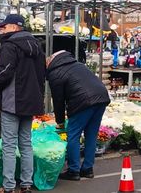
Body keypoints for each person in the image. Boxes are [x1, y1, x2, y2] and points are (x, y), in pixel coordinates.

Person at [0, 14, 45, 193]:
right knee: (26, 143)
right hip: (31, 102)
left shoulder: (10, 46)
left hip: (12, 102)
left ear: (13, 27)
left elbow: (4, 73)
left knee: (9, 145)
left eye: (4, 27)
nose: (2, 29)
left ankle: (9, 186)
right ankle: (26, 184)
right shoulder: (37, 46)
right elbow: (42, 74)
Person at [46, 51, 110, 181]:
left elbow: (58, 100)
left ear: (50, 61)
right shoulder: (78, 65)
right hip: (101, 98)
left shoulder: (55, 73)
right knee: (91, 135)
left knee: (73, 135)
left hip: (83, 102)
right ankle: (88, 168)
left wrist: (60, 122)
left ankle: (73, 170)